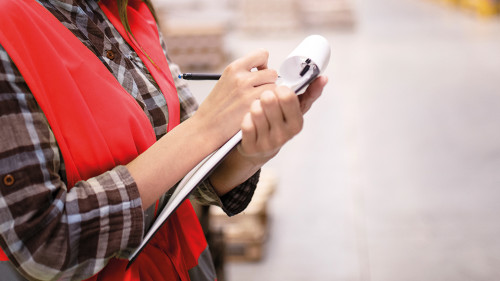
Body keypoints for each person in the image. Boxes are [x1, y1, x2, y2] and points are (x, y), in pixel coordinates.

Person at [0, 0, 327, 280]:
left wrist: (254, 150)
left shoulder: (126, 11)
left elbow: (189, 174)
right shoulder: (8, 30)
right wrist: (204, 128)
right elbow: (44, 243)